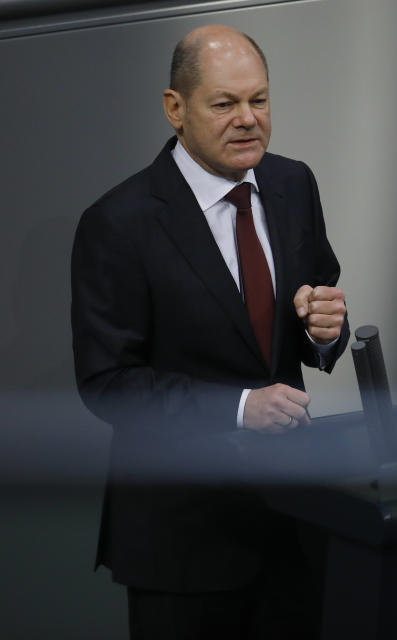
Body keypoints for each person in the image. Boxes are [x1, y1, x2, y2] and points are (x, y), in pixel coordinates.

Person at [71, 25, 347, 638]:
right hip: (181, 541)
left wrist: (325, 330)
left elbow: (313, 309)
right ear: (176, 109)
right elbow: (107, 382)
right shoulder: (118, 223)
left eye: (260, 100)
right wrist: (238, 408)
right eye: (224, 104)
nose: (248, 119)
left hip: (292, 526)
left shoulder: (293, 184)